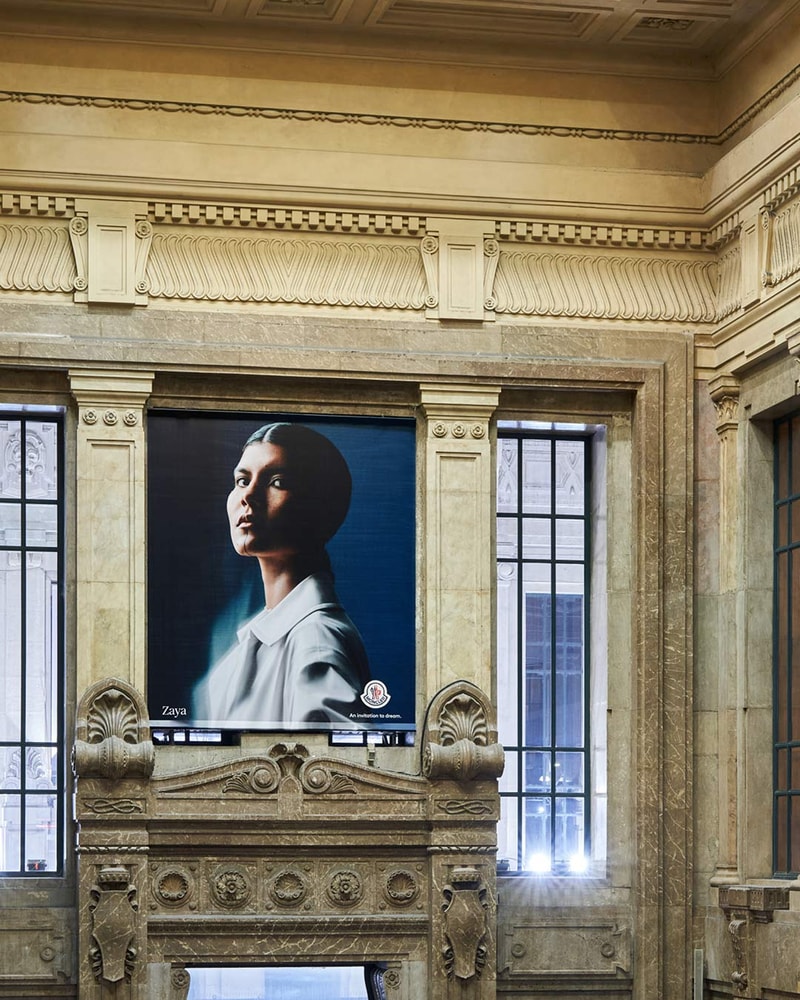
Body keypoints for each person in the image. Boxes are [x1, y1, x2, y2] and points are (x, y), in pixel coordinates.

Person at [192, 422, 370, 729]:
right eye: (242, 480)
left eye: (277, 481)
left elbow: (343, 769)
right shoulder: (258, 639)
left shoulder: (316, 642)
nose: (248, 496)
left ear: (320, 507)